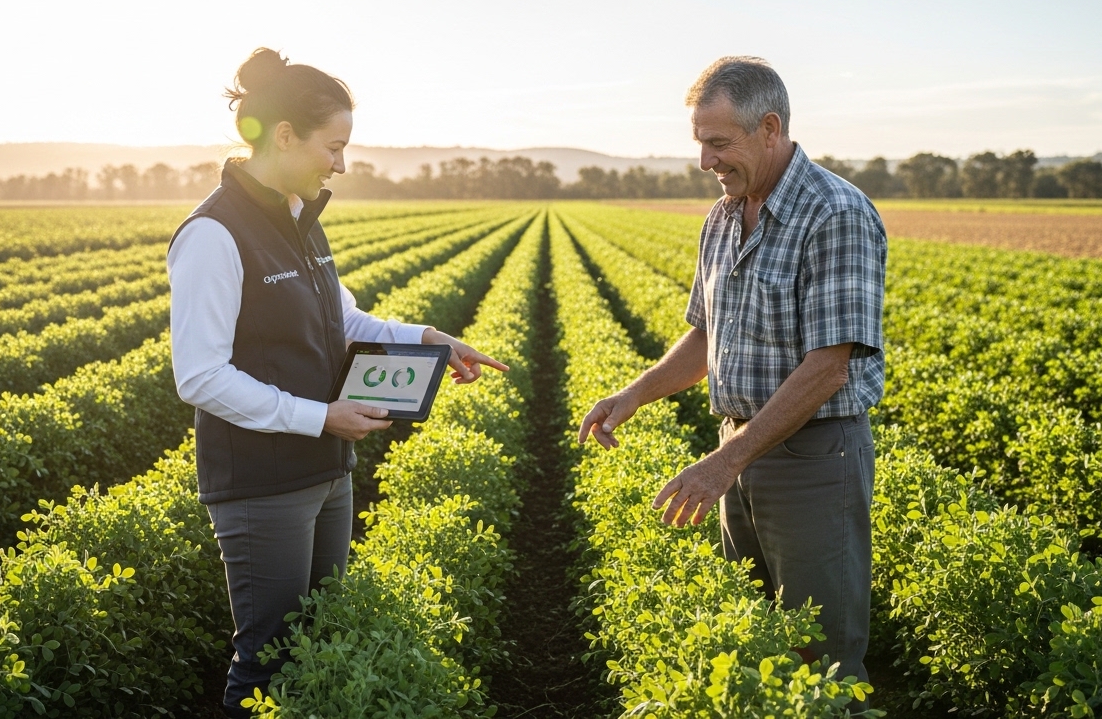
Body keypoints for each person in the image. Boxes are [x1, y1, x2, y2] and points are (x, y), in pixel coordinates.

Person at [166, 47, 507, 718]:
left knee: (321, 638)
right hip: (263, 482)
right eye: (335, 146)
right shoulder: (214, 233)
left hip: (327, 470)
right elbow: (199, 376)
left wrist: (429, 340)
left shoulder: (298, 220)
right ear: (285, 136)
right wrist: (319, 416)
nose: (342, 165)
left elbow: (342, 320)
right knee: (268, 656)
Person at [577, 56, 887, 692]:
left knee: (818, 657)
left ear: (769, 128)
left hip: (812, 457)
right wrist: (634, 395)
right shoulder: (723, 215)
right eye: (700, 143)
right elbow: (704, 334)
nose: (704, 162)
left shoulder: (836, 213)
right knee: (752, 642)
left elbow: (828, 368)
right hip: (741, 446)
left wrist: (726, 462)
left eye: (718, 143)